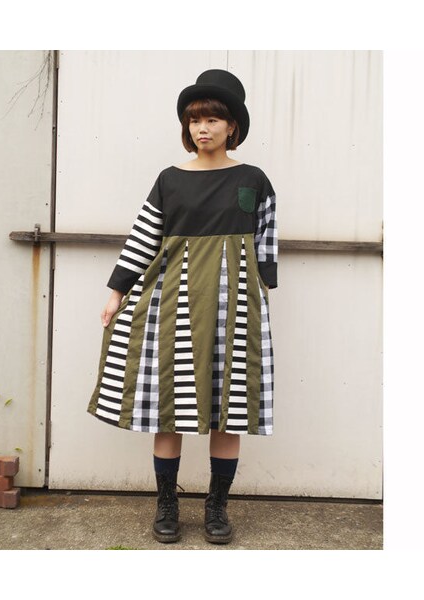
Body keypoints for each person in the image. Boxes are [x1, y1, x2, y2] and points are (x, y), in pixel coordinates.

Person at [87, 69, 277, 545]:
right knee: (169, 405)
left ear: (232, 126)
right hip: (172, 301)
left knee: (229, 407)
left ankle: (216, 508)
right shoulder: (169, 180)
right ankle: (167, 505)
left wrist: (262, 292)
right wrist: (116, 292)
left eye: (212, 119)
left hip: (234, 307)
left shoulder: (253, 179)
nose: (202, 128)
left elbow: (266, 240)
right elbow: (144, 237)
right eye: (194, 120)